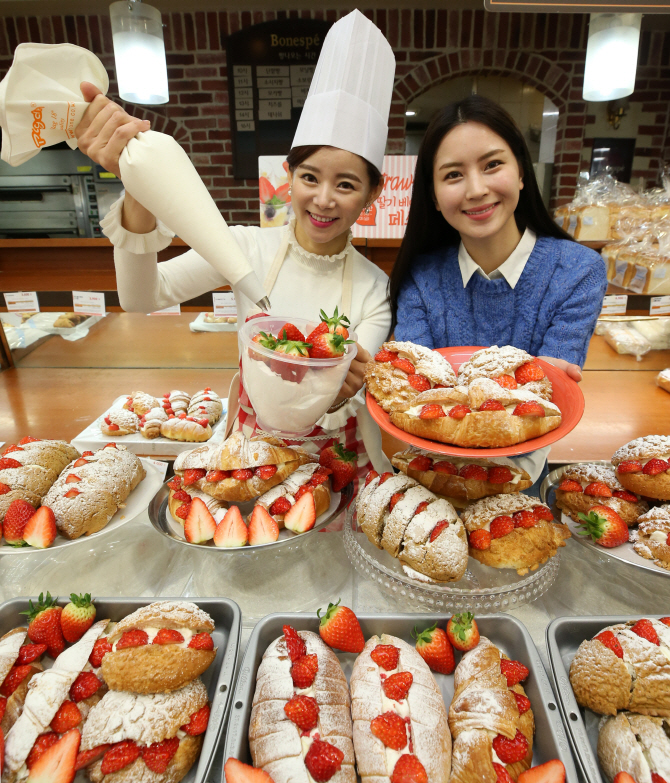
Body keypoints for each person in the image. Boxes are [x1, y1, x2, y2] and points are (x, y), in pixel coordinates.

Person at [75, 10, 396, 482]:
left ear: (373, 193)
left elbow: (323, 400)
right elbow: (142, 297)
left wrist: (349, 384)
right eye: (310, 177)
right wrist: (139, 191)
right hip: (250, 450)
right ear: (289, 178)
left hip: (339, 462)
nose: (323, 199)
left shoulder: (376, 287)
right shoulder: (243, 246)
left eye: (346, 185)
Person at [389, 95, 608, 383]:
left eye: (492, 165)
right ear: (434, 197)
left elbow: (547, 392)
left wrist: (552, 378)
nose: (477, 189)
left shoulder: (579, 271)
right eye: (453, 174)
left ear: (520, 171)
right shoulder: (420, 277)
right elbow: (419, 387)